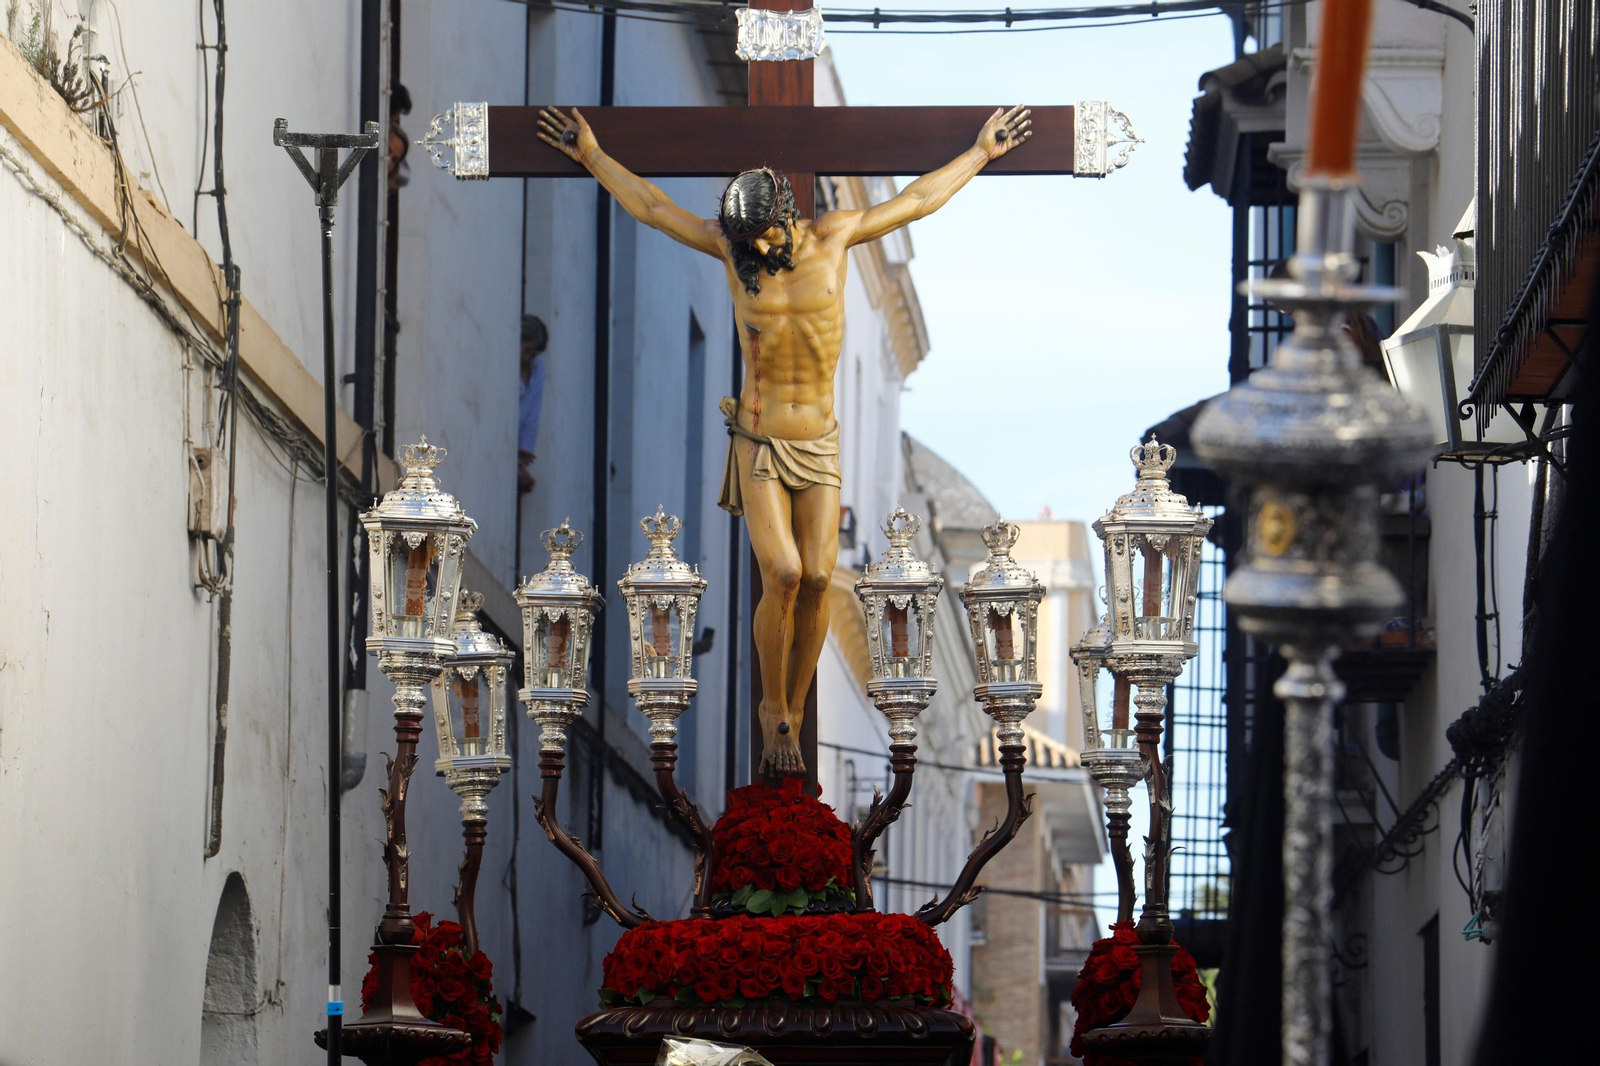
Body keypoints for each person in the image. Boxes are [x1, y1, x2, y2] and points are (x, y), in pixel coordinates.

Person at [536, 103, 1032, 775]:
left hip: (819, 443)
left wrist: (979, 153)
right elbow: (653, 208)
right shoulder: (730, 246)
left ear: (788, 215)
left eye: (766, 238)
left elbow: (917, 200)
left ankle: (794, 712)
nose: (759, 252)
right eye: (750, 243)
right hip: (761, 440)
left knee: (824, 577)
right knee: (785, 572)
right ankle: (774, 710)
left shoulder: (836, 234)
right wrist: (593, 155)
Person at [519, 314, 548, 494]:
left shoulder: (537, 369)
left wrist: (524, 450)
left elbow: (532, 415)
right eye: (527, 350)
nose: (528, 357)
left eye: (534, 354)